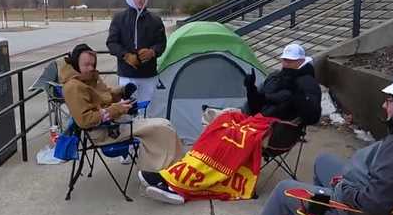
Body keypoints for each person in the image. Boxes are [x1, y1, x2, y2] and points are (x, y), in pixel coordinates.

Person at [250, 70, 393, 215]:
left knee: (284, 190)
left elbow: (374, 202)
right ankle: (325, 206)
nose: (384, 105)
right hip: (370, 196)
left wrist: (344, 189)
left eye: (390, 100)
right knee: (323, 161)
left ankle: (327, 208)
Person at [137, 43, 322, 205]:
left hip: (276, 130)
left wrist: (299, 96)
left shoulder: (307, 83)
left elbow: (312, 116)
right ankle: (177, 174)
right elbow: (258, 104)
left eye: (291, 61)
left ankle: (178, 185)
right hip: (256, 120)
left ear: (301, 61)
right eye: (284, 60)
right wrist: (251, 89)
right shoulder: (277, 77)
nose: (286, 64)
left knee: (228, 137)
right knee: (218, 127)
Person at [60, 44, 182, 171]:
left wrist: (123, 91)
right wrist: (116, 109)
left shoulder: (89, 78)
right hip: (105, 132)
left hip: (116, 123)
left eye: (93, 64)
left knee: (166, 124)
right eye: (86, 65)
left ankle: (168, 168)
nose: (91, 68)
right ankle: (157, 171)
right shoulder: (73, 87)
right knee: (162, 129)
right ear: (75, 64)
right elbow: (84, 121)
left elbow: (105, 96)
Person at [106, 0, 166, 104]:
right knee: (128, 110)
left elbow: (162, 43)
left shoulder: (155, 20)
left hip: (149, 75)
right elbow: (111, 43)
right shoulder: (119, 19)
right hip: (127, 75)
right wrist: (125, 55)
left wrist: (152, 52)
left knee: (148, 110)